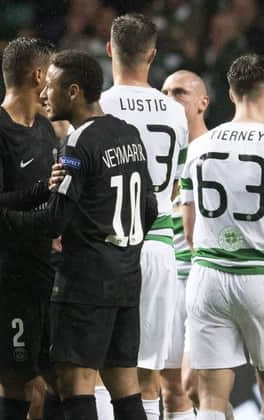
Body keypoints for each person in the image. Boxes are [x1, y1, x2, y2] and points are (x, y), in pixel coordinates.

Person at [0, 49, 156, 420]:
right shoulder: (128, 133)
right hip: (127, 275)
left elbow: (53, 221)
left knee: (75, 382)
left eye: (52, 87)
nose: (44, 95)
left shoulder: (78, 142)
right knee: (125, 385)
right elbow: (149, 209)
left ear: (73, 91)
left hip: (86, 281)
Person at [0, 36, 60, 420]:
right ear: (39, 75)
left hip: (39, 269)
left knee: (52, 383)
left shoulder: (45, 129)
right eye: (51, 72)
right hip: (3, 275)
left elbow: (5, 206)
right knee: (18, 387)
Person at [98, 13, 189, 420]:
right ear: (153, 55)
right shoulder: (175, 113)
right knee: (147, 373)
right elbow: (173, 187)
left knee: (99, 370)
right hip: (158, 247)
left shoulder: (97, 104)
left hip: (106, 246)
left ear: (109, 48)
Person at [180, 53, 264, 420]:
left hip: (208, 276)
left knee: (210, 396)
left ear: (231, 94)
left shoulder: (199, 147)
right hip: (259, 274)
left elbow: (188, 226)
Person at [160, 69, 209, 420]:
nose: (169, 100)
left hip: (207, 281)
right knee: (172, 392)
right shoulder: (159, 156)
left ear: (203, 103)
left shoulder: (216, 151)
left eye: (179, 93)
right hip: (168, 282)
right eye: (164, 92)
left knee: (197, 387)